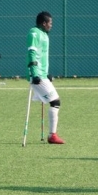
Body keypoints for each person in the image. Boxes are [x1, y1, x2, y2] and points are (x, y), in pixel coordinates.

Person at [27, 11, 64, 144]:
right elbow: (32, 53)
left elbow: (41, 56)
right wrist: (35, 73)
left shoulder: (44, 35)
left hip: (42, 74)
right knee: (55, 102)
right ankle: (52, 135)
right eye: (50, 23)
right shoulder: (34, 33)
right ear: (44, 23)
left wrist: (46, 72)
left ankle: (52, 135)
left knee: (55, 102)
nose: (51, 25)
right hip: (37, 75)